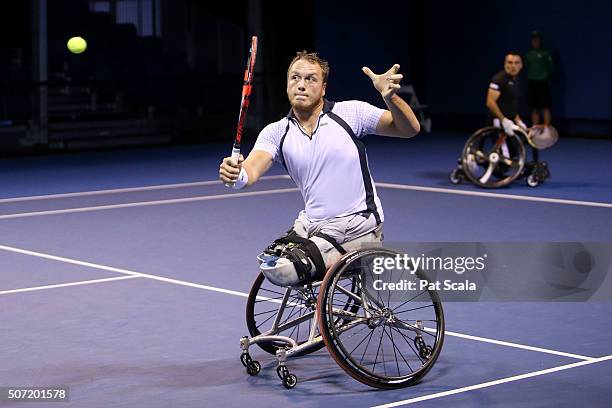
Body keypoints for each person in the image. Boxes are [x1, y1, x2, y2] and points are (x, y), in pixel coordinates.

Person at [218, 51, 420, 286]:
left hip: (357, 225)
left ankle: (318, 321)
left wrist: (390, 97)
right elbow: (250, 171)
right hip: (312, 224)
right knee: (274, 262)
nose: (301, 85)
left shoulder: (351, 113)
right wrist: (235, 174)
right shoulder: (276, 132)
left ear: (323, 88)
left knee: (292, 268)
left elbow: (409, 129)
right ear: (286, 85)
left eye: (310, 79)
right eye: (295, 78)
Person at [486, 52, 527, 137]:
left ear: (521, 66)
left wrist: (519, 121)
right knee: (504, 150)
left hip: (510, 123)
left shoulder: (516, 80)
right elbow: (490, 102)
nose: (513, 66)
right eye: (510, 62)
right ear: (505, 64)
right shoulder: (499, 79)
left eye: (516, 63)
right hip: (498, 122)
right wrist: (503, 120)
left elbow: (510, 105)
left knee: (515, 150)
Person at [524, 31, 554, 126]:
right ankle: (534, 130)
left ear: (540, 41)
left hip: (543, 83)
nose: (535, 42)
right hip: (532, 83)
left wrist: (547, 78)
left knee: (545, 107)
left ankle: (546, 129)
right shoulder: (528, 54)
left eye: (537, 40)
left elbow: (551, 68)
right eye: (533, 40)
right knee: (534, 107)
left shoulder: (545, 54)